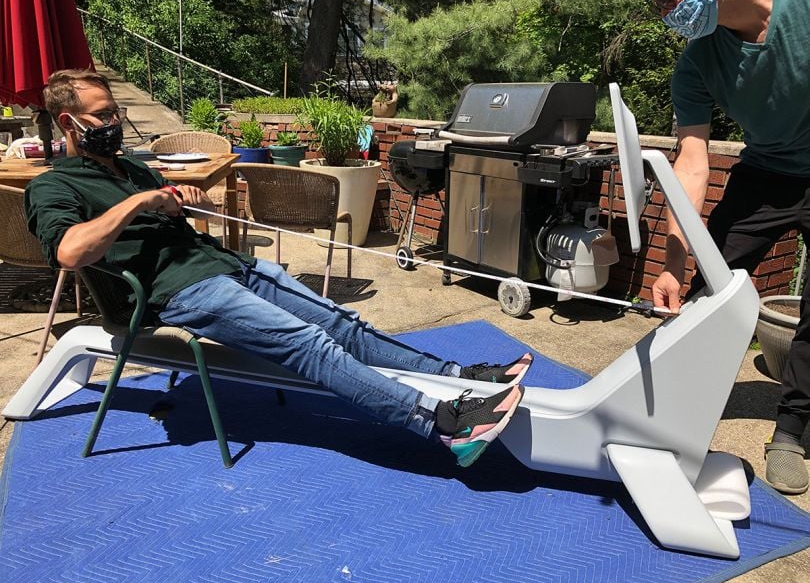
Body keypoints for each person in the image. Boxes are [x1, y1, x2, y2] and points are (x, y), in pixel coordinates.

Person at [26, 69, 533, 468]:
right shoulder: (53, 186)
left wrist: (186, 203)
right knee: (308, 343)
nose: (114, 122)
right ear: (70, 123)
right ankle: (441, 422)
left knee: (341, 323)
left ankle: (456, 374)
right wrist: (139, 204)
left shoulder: (132, 167)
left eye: (115, 111)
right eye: (102, 115)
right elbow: (71, 253)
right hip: (179, 291)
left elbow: (166, 208)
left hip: (223, 264)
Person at [647, 0, 810, 493]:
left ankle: (792, 431)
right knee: (706, 294)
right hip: (763, 175)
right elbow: (692, 166)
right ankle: (667, 413)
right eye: (661, 7)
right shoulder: (698, 62)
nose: (670, 13)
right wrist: (673, 261)